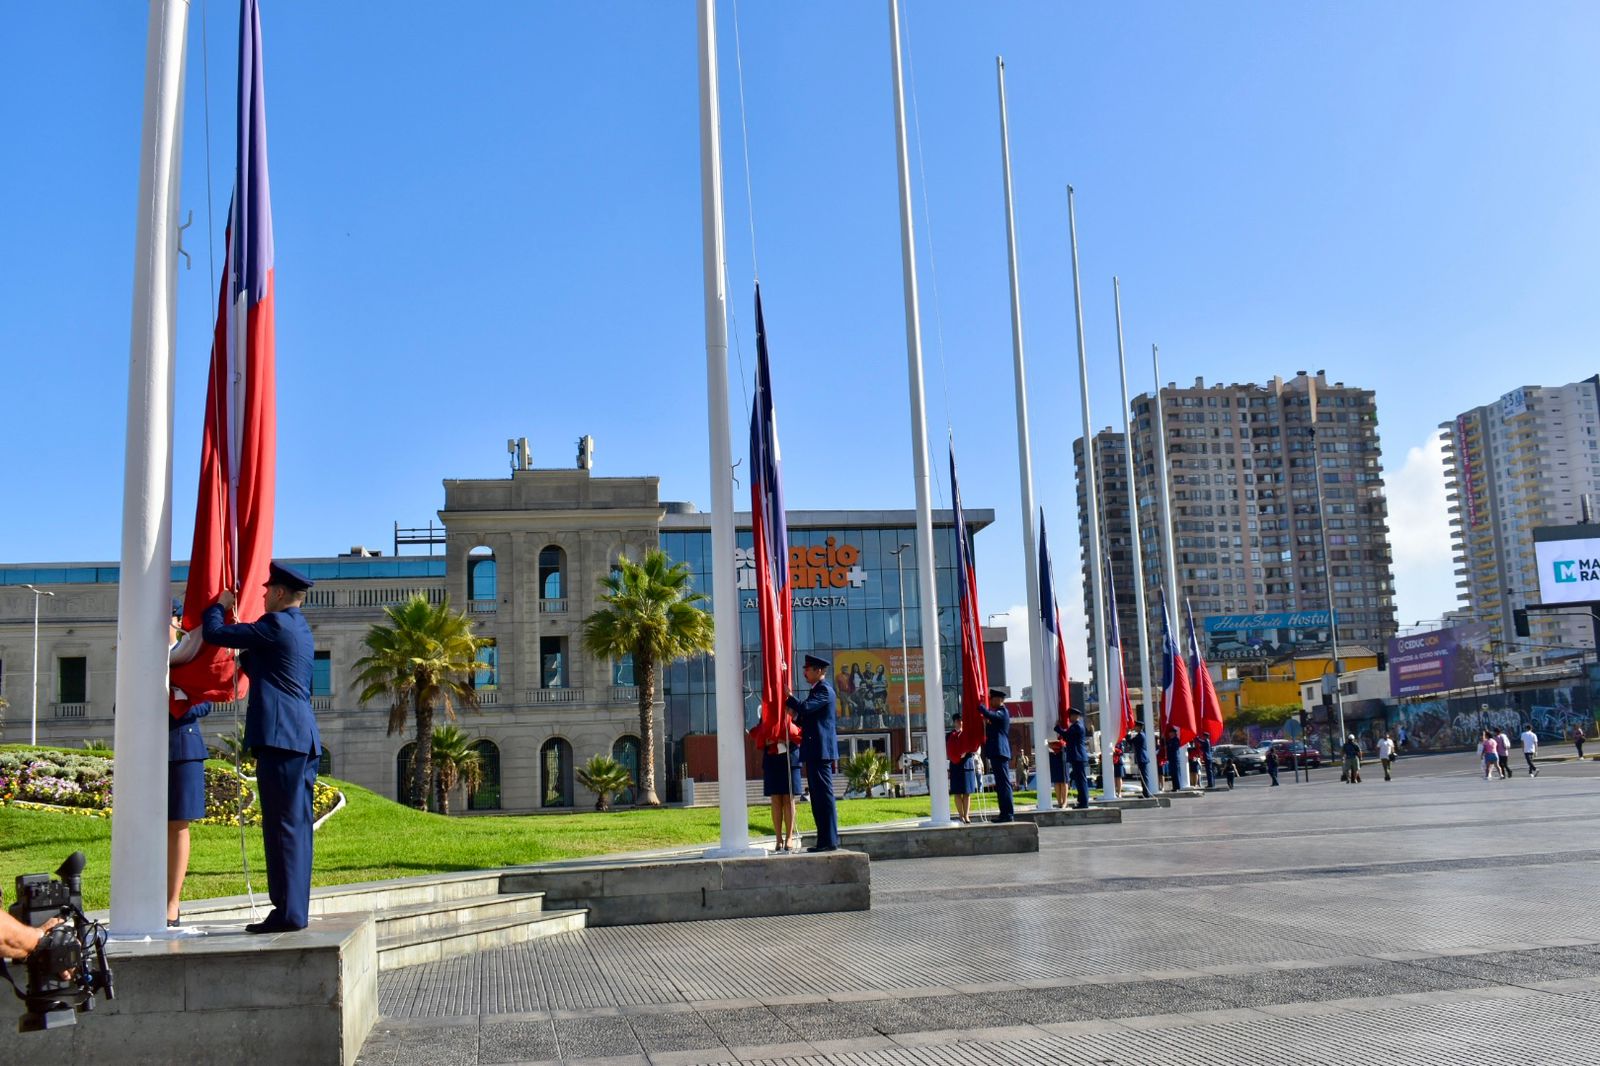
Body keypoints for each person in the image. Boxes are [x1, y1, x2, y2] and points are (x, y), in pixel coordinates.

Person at [202, 562, 321, 934]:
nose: (263, 594)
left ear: (282, 593)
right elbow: (267, 667)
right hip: (301, 738)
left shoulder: (275, 625)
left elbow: (215, 633)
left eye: (268, 590)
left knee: (282, 826)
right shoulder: (299, 629)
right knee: (296, 827)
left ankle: (287, 913)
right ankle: (292, 910)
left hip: (281, 738)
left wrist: (219, 605)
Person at [168, 602, 213, 927]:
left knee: (178, 824)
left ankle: (173, 902)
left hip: (183, 745)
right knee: (149, 826)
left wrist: (176, 705)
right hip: (148, 748)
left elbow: (207, 699)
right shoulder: (139, 654)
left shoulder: (190, 653)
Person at [786, 654, 839, 851]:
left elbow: (807, 708)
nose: (804, 673)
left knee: (824, 797)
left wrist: (790, 699)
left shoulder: (825, 690)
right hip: (815, 750)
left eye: (808, 669)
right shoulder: (817, 690)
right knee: (817, 798)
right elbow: (809, 717)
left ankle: (830, 841)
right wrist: (796, 716)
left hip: (821, 751)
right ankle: (823, 841)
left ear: (819, 671)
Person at [978, 688, 1015, 822]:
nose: (991, 702)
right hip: (996, 751)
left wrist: (980, 705)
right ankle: (1003, 813)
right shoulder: (997, 713)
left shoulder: (1003, 712)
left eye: (993, 699)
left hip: (1000, 751)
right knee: (1000, 785)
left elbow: (990, 715)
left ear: (1000, 700)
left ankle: (1008, 814)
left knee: (1004, 784)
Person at [761, 737, 802, 852]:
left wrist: (788, 739)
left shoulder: (793, 717)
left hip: (790, 758)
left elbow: (800, 730)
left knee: (788, 798)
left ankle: (789, 837)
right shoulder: (766, 717)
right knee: (776, 799)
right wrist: (766, 740)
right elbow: (761, 731)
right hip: (772, 758)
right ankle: (778, 838)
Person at [948, 729, 978, 823]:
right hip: (955, 765)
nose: (959, 722)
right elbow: (948, 749)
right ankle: (961, 816)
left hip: (967, 765)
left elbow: (974, 746)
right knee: (957, 792)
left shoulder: (968, 733)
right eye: (956, 720)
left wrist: (966, 750)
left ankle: (966, 815)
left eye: (960, 720)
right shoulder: (950, 735)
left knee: (967, 792)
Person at [1063, 706, 1090, 809]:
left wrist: (1057, 727)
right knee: (1079, 780)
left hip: (1078, 756)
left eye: (1071, 716)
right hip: (1078, 757)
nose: (1069, 718)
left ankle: (1083, 803)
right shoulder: (1077, 725)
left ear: (1075, 716)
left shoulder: (1077, 726)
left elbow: (1066, 735)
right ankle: (1081, 801)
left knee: (1081, 781)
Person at [1128, 726, 1153, 797]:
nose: (1135, 728)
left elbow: (1130, 741)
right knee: (1143, 777)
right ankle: (1145, 793)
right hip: (1141, 758)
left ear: (1139, 728)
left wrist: (1128, 733)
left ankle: (1147, 793)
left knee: (1144, 776)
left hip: (1142, 758)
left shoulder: (1140, 736)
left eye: (1136, 727)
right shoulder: (1141, 735)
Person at [1046, 732, 1068, 809]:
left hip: (1061, 757)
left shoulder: (1063, 731)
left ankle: (1064, 802)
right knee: (1056, 782)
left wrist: (1051, 744)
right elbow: (1048, 744)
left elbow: (1062, 743)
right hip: (1054, 758)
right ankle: (1059, 802)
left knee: (1063, 781)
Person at [1164, 726, 1182, 792]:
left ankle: (1177, 787)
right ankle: (1174, 787)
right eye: (1169, 733)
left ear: (1174, 733)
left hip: (1175, 758)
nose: (1170, 734)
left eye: (1171, 733)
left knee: (1176, 773)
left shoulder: (1176, 740)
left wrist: (1169, 746)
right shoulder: (1170, 740)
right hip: (1171, 759)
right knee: (1173, 774)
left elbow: (1174, 748)